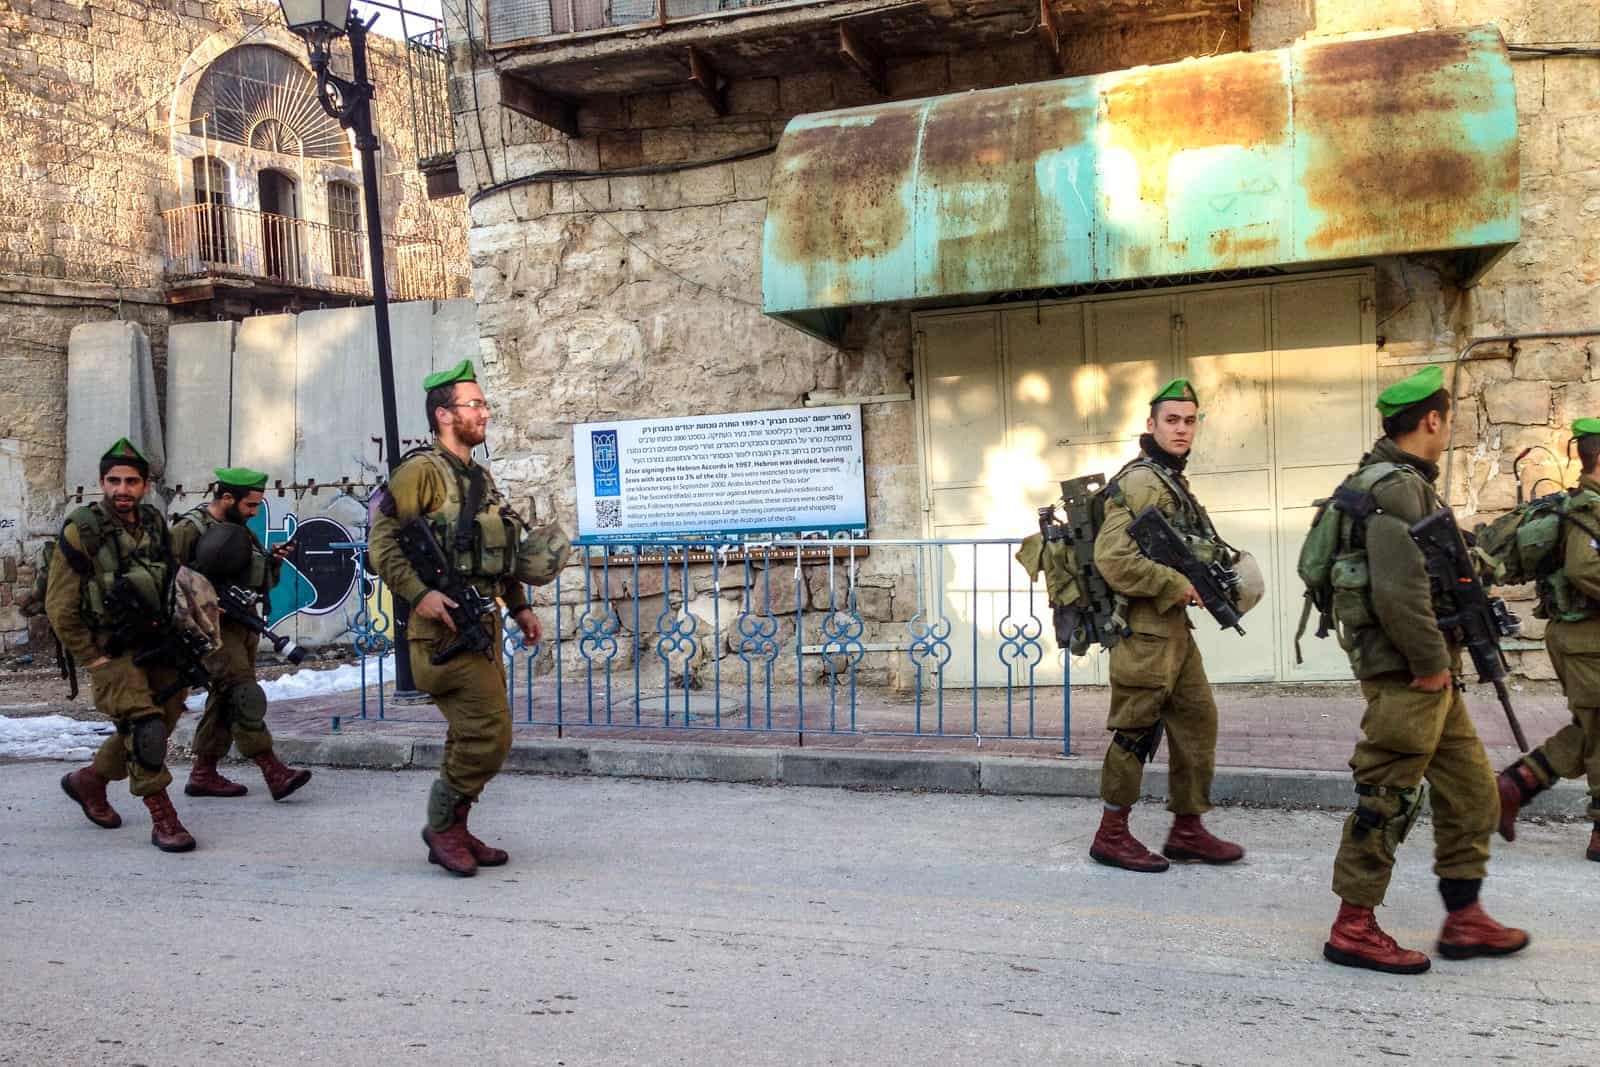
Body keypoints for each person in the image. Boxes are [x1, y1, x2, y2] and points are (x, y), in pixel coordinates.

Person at [1320, 365, 1528, 974]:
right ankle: (1352, 926)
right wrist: (1431, 664)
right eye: (1448, 420)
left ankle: (1465, 918)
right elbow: (1399, 588)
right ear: (1432, 420)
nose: (1448, 429)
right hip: (1409, 673)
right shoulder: (1395, 488)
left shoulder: (1409, 482)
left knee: (1469, 792)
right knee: (1386, 794)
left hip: (1431, 673)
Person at [369, 359, 569, 876]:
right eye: (474, 404)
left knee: (472, 733)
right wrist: (419, 595)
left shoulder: (479, 476)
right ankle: (441, 826)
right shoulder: (421, 472)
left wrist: (519, 604)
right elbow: (383, 542)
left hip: (482, 624)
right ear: (444, 415)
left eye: (483, 403)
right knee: (490, 733)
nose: (485, 412)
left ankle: (454, 825)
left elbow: (494, 551)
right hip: (441, 632)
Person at [1088, 378, 1245, 872]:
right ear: (1151, 425)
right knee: (1136, 731)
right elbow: (1112, 558)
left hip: (1173, 631)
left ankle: (1187, 829)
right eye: (1171, 420)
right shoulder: (1142, 481)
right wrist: (1175, 585)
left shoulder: (1169, 478)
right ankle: (1111, 833)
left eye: (1190, 420)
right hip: (1143, 629)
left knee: (1198, 722)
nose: (1181, 429)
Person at [51, 439, 199, 852]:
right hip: (109, 646)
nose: (122, 489)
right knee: (144, 728)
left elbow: (173, 580)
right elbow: (60, 606)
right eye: (113, 480)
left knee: (166, 715)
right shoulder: (83, 530)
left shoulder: (153, 522)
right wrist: (93, 658)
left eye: (131, 481)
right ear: (101, 482)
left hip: (155, 640)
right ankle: (163, 818)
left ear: (145, 485)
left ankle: (90, 780)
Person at [169, 467, 312, 802]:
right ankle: (272, 770)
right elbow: (166, 578)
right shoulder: (189, 529)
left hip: (243, 625)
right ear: (227, 497)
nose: (253, 512)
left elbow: (252, 579)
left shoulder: (239, 530)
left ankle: (203, 773)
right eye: (249, 505)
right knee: (244, 694)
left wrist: (271, 561)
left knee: (224, 696)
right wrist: (198, 605)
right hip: (212, 631)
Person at [1495, 417, 1600, 861]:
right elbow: (1584, 569)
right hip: (1586, 639)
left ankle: (1515, 785)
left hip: (1583, 637)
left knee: (1591, 730)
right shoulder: (1589, 509)